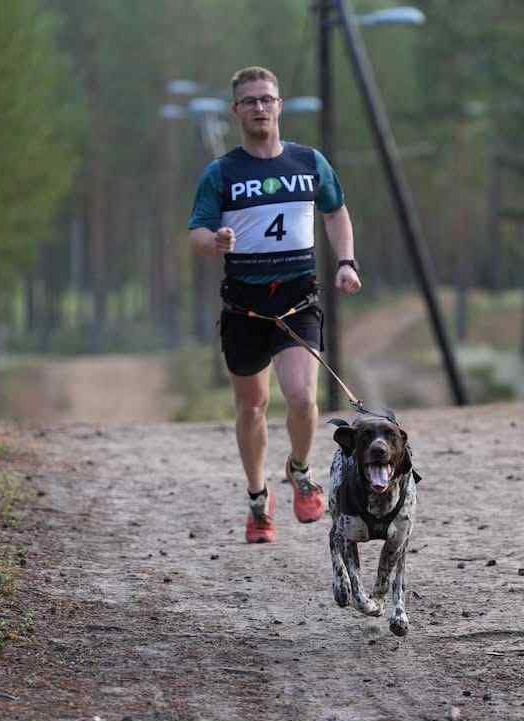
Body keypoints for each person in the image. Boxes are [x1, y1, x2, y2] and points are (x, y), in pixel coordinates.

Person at [188, 66, 361, 544]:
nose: (260, 107)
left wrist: (345, 261)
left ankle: (301, 472)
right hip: (244, 309)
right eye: (250, 101)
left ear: (280, 105)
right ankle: (258, 499)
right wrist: (215, 240)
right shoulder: (222, 172)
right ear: (236, 111)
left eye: (267, 99)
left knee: (304, 397)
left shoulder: (309, 162)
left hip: (297, 300)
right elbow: (196, 234)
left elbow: (335, 210)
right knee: (253, 406)